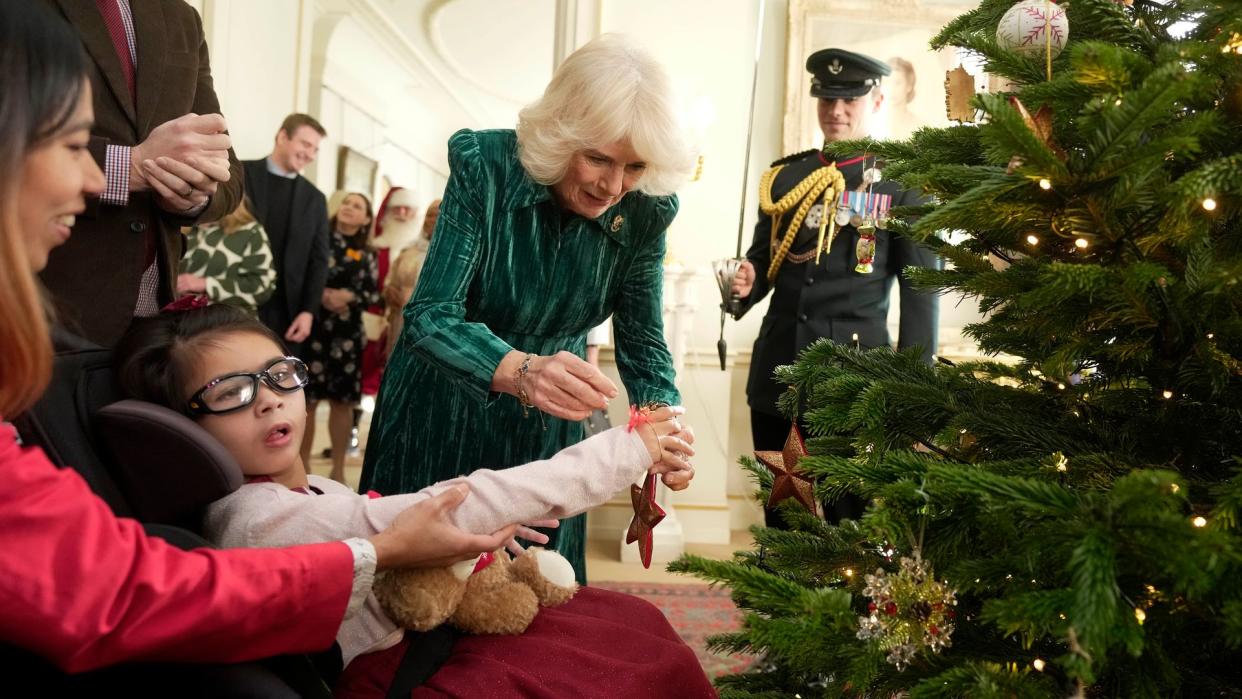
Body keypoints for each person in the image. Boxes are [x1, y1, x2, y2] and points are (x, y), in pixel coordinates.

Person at [0, 0, 522, 678]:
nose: (94, 178)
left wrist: (188, 189)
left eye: (279, 378)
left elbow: (109, 568)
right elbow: (112, 589)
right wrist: (378, 554)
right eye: (75, 146)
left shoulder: (177, 21)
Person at [114, 303, 711, 697]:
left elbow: (408, 520)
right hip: (401, 673)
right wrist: (630, 452)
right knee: (624, 661)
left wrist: (496, 524)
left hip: (423, 644)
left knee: (626, 621)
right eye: (231, 393)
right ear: (187, 427)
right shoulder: (254, 517)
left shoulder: (306, 490)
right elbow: (457, 502)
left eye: (277, 375)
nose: (268, 401)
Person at [360, 34, 698, 583]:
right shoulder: (487, 167)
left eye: (634, 166)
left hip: (548, 432)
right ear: (561, 135)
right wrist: (521, 369)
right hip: (440, 409)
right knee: (417, 596)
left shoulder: (646, 211)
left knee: (538, 596)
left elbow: (643, 341)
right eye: (597, 159)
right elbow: (429, 314)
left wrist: (665, 422)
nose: (615, 186)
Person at [730, 48, 940, 524]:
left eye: (849, 99)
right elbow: (768, 261)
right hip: (778, 371)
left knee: (850, 520)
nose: (836, 111)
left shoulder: (904, 184)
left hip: (852, 378)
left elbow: (920, 293)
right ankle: (782, 600)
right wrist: (745, 282)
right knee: (784, 515)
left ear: (878, 100)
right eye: (827, 99)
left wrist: (914, 389)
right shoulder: (786, 176)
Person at [38, 0, 244, 347]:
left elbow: (229, 176)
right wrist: (128, 167)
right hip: (40, 309)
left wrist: (192, 193)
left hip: (151, 330)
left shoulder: (182, 18)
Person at [301, 192, 380, 483]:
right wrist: (320, 295)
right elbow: (302, 273)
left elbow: (373, 292)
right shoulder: (319, 237)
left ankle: (337, 468)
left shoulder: (368, 253)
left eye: (357, 206)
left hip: (346, 336)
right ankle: (303, 466)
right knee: (306, 401)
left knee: (342, 402)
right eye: (346, 202)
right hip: (314, 329)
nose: (348, 208)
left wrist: (349, 296)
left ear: (366, 219)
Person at [243, 113, 330, 356]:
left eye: (315, 149)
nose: (310, 154)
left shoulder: (315, 199)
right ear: (282, 136)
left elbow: (319, 260)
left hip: (288, 312)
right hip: (237, 298)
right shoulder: (240, 173)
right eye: (305, 144)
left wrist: (308, 311)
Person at [359, 187, 419, 399]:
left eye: (407, 209)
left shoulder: (421, 250)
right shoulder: (375, 248)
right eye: (397, 208)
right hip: (374, 319)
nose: (402, 214)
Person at [177, 197, 276, 315]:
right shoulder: (181, 228)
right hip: (180, 323)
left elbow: (262, 287)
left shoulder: (250, 232)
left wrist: (206, 284)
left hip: (228, 324)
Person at [379, 197, 440, 360]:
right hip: (400, 321)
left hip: (430, 325)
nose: (432, 220)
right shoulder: (409, 250)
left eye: (438, 215)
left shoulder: (452, 255)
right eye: (429, 215)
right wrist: (389, 291)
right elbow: (391, 280)